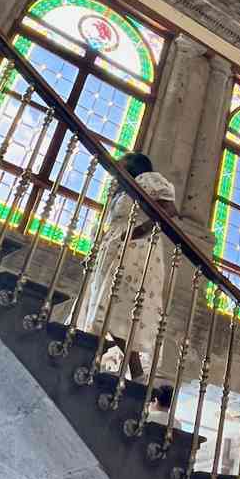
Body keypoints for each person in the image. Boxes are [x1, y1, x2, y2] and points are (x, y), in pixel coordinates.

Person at [78, 152, 178, 380]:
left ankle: (135, 370)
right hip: (111, 248)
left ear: (134, 165)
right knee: (103, 305)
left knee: (116, 304)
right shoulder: (118, 190)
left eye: (123, 160)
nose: (117, 162)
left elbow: (170, 210)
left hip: (134, 250)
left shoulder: (146, 180)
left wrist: (140, 231)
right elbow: (109, 223)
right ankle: (128, 368)